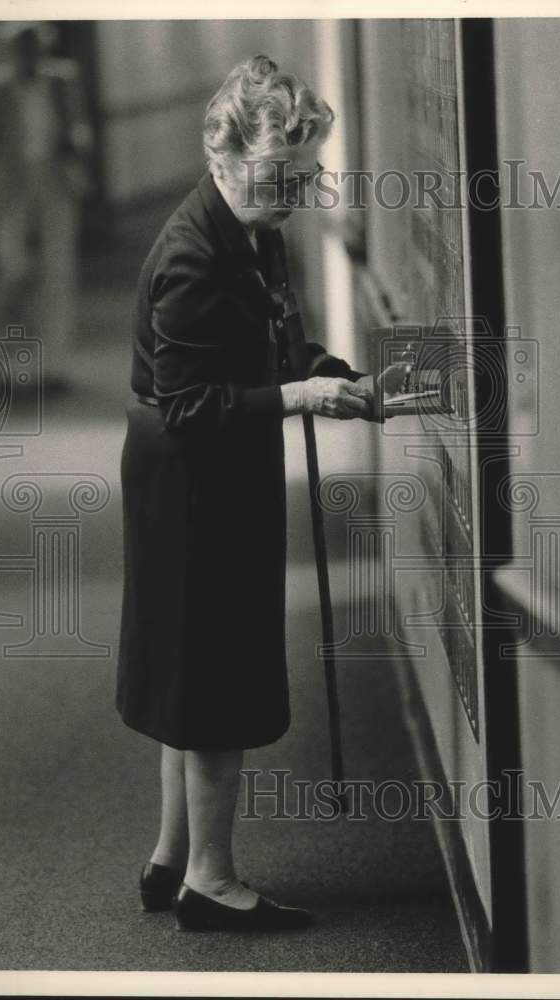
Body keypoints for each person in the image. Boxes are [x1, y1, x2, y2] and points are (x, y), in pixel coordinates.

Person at [116, 54, 379, 933]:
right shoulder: (193, 257)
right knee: (214, 680)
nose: (292, 195)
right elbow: (191, 406)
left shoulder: (249, 227)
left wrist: (330, 376)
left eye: (303, 178)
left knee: (189, 675)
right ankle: (212, 881)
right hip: (192, 480)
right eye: (279, 177)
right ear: (220, 156)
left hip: (212, 472)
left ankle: (167, 860)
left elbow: (272, 341)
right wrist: (298, 397)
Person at [0, 22, 93, 393]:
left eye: (36, 46)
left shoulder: (63, 79)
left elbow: (80, 127)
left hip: (55, 183)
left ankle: (54, 367)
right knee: (13, 270)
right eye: (23, 48)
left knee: (58, 271)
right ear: (13, 51)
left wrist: (76, 146)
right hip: (12, 189)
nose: (30, 55)